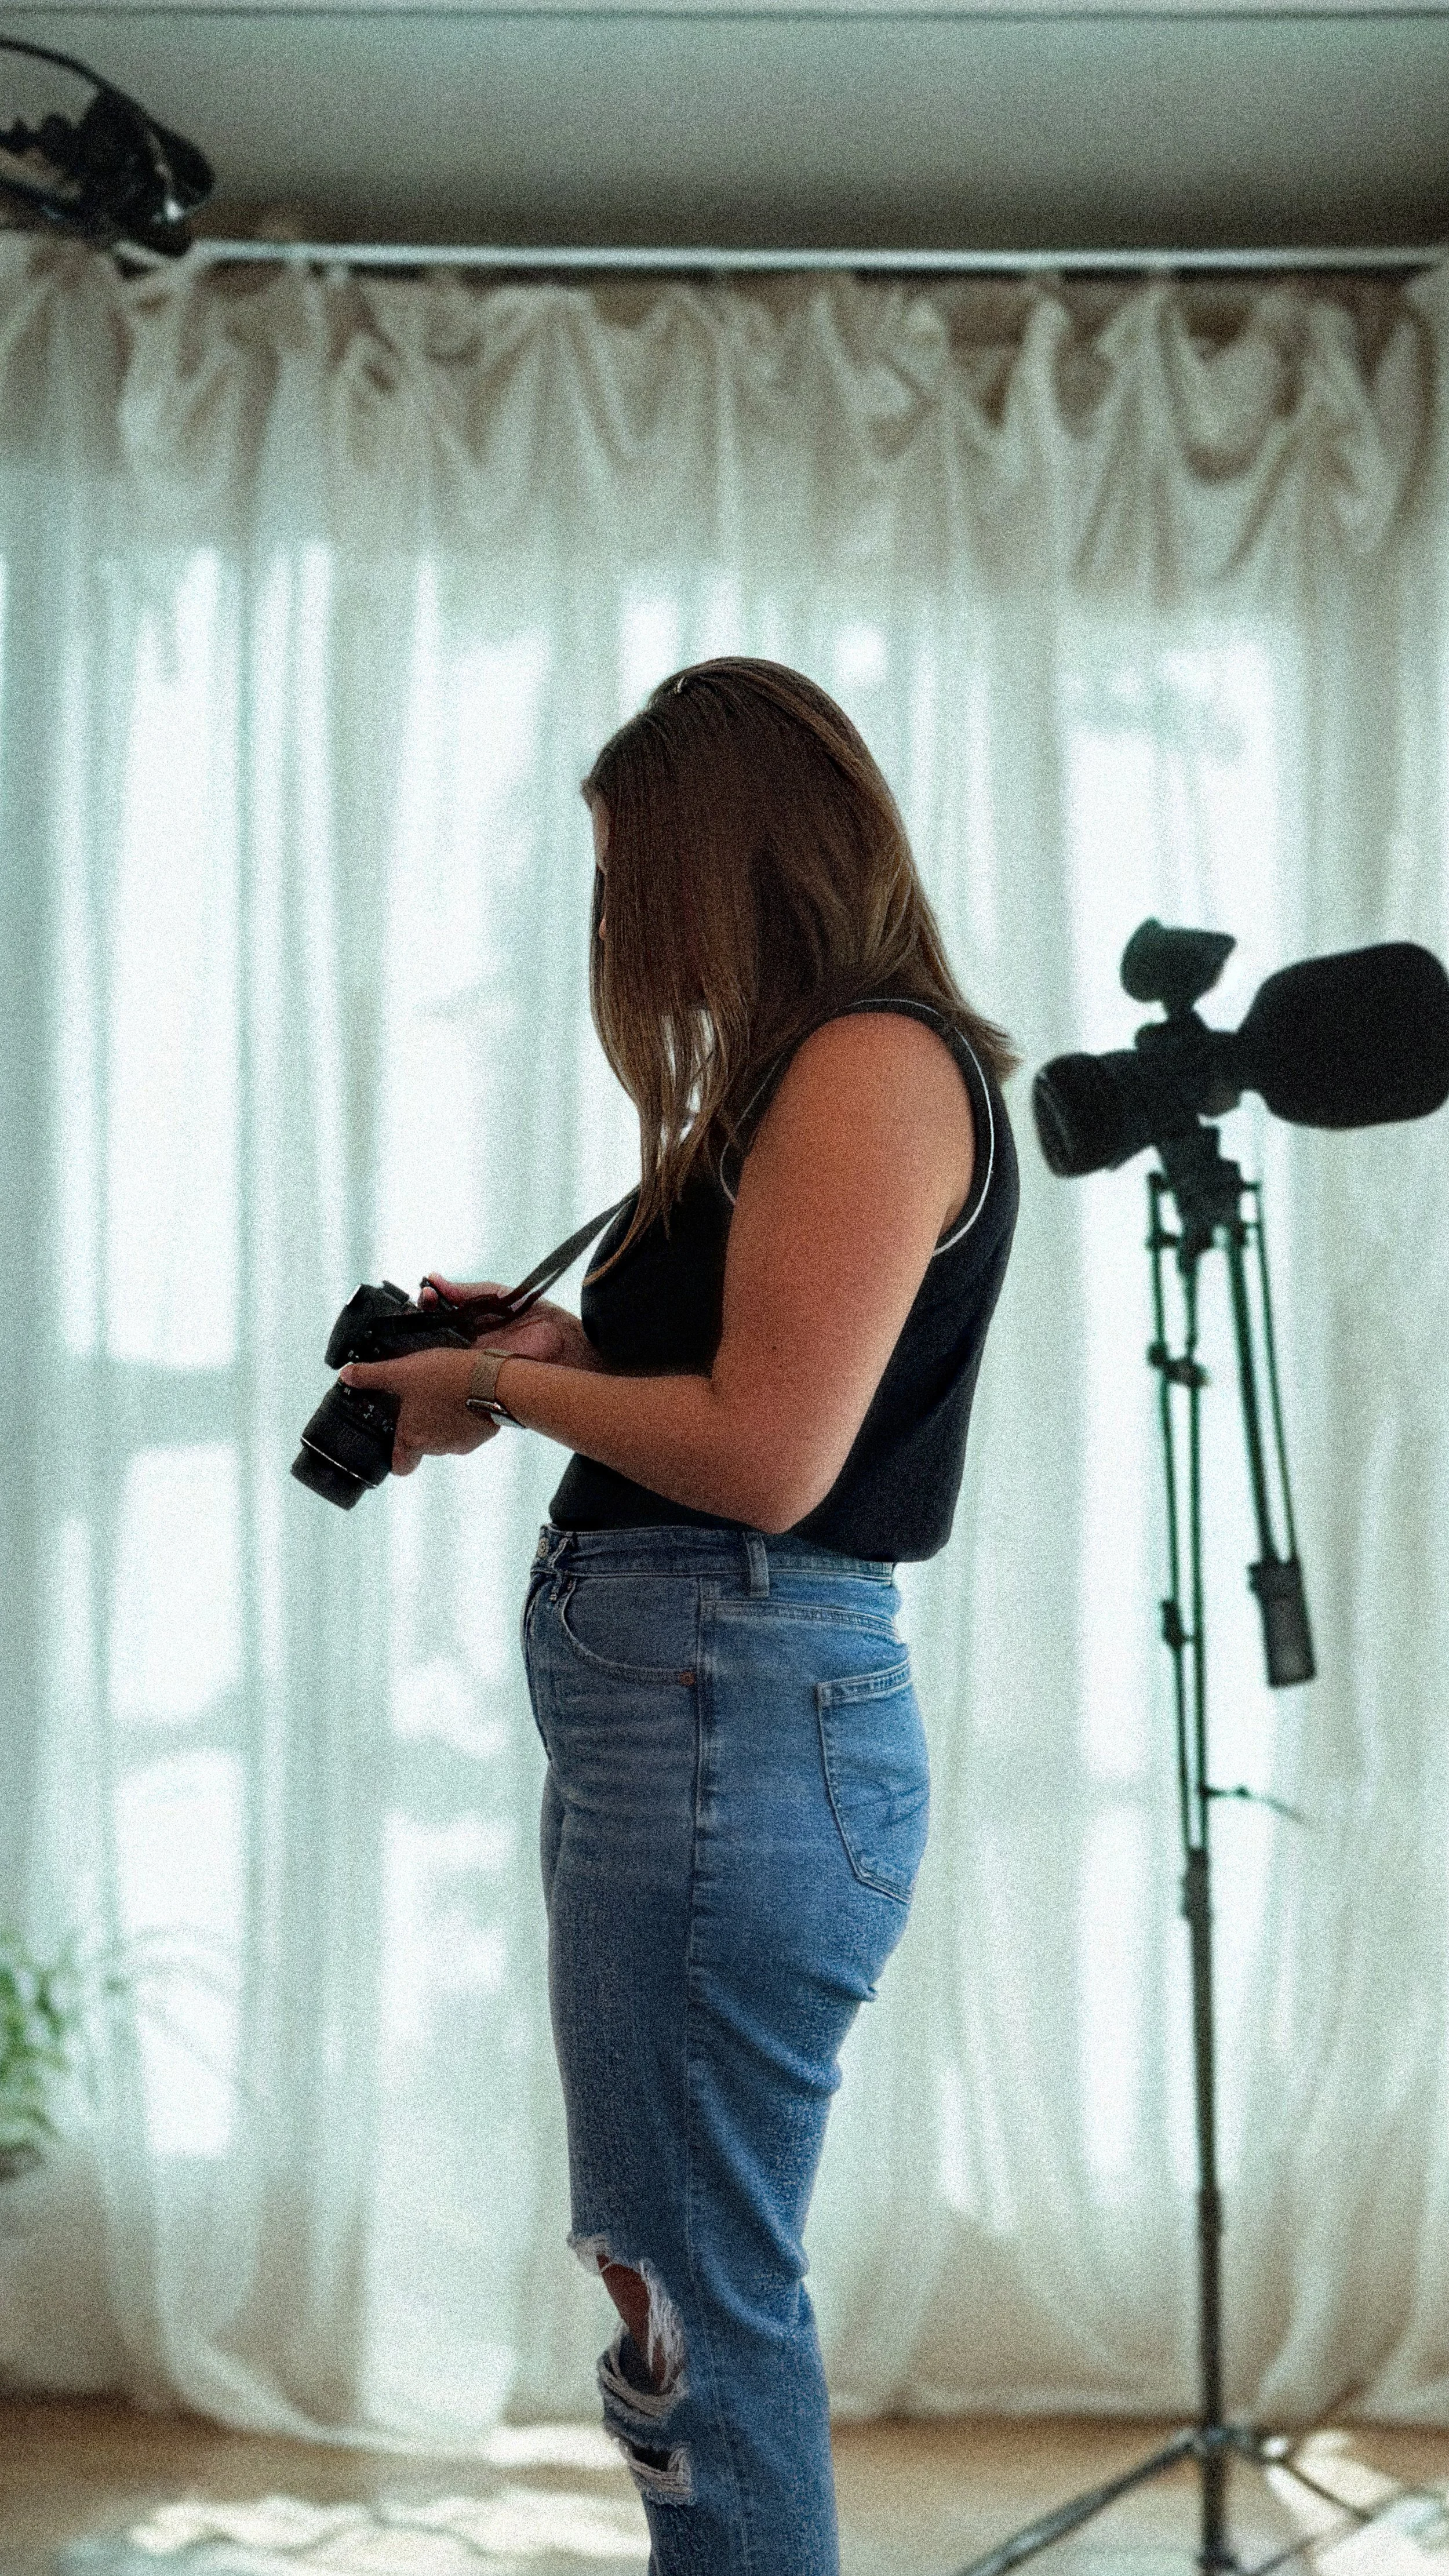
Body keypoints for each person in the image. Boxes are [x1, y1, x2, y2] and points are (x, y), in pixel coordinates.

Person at [340, 657, 1019, 2575]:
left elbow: (768, 1451)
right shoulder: (799, 1077)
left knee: (698, 2299)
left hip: (733, 1712)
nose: (621, 930)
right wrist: (560, 1348)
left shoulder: (871, 1064)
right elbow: (728, 1388)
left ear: (734, 860)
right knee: (673, 2287)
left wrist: (503, 1393)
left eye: (639, 876)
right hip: (703, 1719)